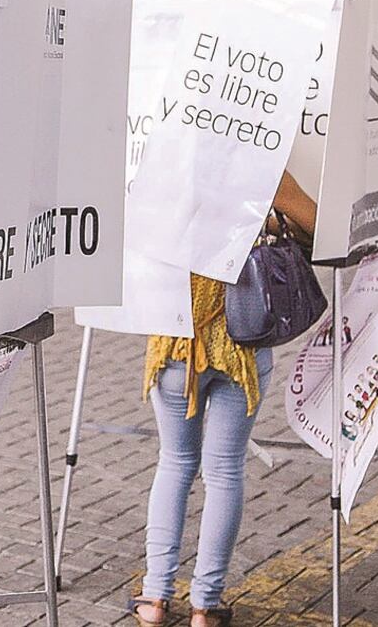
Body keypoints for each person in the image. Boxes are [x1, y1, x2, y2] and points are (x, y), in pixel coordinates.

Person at [130, 172, 317, 627]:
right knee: (224, 469)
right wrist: (266, 224)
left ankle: (155, 600)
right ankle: (204, 606)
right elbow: (317, 223)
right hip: (242, 341)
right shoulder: (262, 157)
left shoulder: (167, 155)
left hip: (174, 341)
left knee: (174, 463)